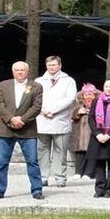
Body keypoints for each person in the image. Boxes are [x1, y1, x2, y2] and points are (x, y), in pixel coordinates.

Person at [0, 60, 44, 200]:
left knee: (32, 161)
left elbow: (36, 107)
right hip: (7, 129)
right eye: (17, 70)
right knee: (2, 162)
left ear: (27, 71)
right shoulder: (4, 85)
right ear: (13, 71)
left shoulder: (36, 86)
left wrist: (22, 120)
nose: (20, 72)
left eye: (22, 70)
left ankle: (37, 190)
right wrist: (11, 119)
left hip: (28, 130)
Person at [34, 56, 76, 189]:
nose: (51, 67)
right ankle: (42, 176)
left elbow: (70, 99)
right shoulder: (39, 81)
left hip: (60, 120)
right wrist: (44, 111)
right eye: (49, 65)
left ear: (60, 65)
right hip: (43, 120)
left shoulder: (68, 81)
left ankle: (60, 177)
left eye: (54, 65)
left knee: (61, 151)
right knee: (42, 151)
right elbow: (34, 99)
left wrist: (53, 110)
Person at [69, 83, 99, 183]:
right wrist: (78, 112)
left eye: (91, 94)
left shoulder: (98, 103)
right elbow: (71, 114)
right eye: (86, 94)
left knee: (92, 152)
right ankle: (78, 172)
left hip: (93, 132)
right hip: (79, 134)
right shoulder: (78, 104)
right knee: (80, 153)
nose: (88, 96)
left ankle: (89, 173)